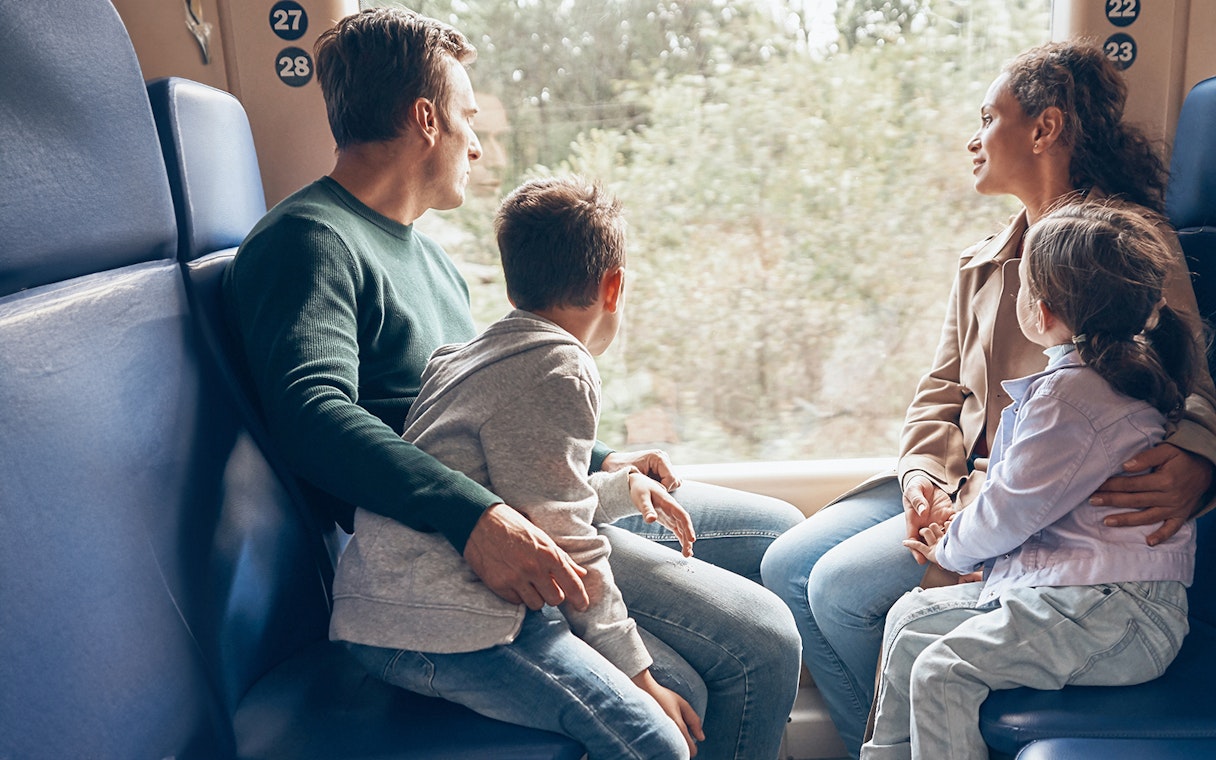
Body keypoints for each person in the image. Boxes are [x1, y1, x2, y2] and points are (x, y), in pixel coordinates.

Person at [222, 8, 802, 759]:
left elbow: (479, 409)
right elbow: (312, 413)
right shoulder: (308, 241)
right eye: (468, 117)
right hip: (449, 534)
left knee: (775, 532)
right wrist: (475, 517)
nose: (477, 142)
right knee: (757, 644)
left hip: (510, 488)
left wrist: (602, 463)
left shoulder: (431, 262)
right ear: (425, 119)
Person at [761, 39, 1216, 757]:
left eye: (987, 117)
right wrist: (922, 481)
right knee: (787, 565)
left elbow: (1192, 376)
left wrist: (1199, 459)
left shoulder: (1125, 248)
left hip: (1033, 498)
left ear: (1044, 128)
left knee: (842, 590)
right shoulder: (983, 260)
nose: (972, 140)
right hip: (961, 480)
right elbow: (939, 392)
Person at [332, 176, 703, 758]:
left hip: (394, 608)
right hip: (435, 623)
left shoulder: (467, 355)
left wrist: (625, 490)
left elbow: (532, 495)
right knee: (659, 743)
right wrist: (638, 677)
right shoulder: (561, 366)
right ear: (615, 286)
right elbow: (570, 546)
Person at [861, 200, 1198, 759]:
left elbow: (1012, 509)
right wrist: (965, 530)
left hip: (1120, 615)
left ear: (1040, 311)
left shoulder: (1073, 397)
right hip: (1079, 598)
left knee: (943, 671)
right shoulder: (1080, 382)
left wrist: (950, 546)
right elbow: (1019, 499)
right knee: (909, 621)